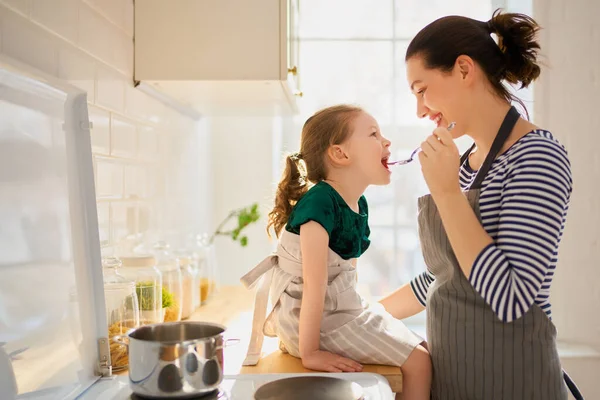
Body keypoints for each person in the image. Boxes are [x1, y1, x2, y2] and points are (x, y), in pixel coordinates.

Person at [379, 10, 578, 399]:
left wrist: (447, 194)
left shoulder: (537, 157)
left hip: (515, 386)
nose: (420, 110)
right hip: (456, 384)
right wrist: (359, 316)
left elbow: (511, 297)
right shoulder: (466, 163)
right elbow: (448, 277)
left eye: (422, 89)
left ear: (464, 70)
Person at [241, 105, 431, 399]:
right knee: (420, 362)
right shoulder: (319, 206)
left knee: (423, 349)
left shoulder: (357, 203)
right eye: (373, 134)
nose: (387, 141)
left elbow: (343, 277)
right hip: (309, 324)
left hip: (333, 313)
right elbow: (314, 287)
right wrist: (311, 352)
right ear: (340, 154)